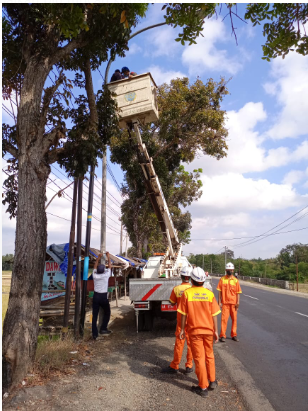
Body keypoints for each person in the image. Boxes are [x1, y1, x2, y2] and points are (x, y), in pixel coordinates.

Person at [178, 267, 221, 398]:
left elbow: (183, 314)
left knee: (199, 358)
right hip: (208, 331)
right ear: (203, 280)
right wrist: (216, 331)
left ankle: (203, 387)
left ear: (191, 280)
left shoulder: (187, 293)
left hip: (195, 331)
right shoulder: (209, 294)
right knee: (209, 355)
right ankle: (212, 381)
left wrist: (181, 329)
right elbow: (214, 314)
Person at [162, 265, 193, 374]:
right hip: (193, 321)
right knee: (191, 344)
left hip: (181, 321)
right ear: (190, 277)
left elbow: (172, 302)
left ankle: (175, 365)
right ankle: (189, 365)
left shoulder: (177, 289)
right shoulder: (193, 290)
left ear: (181, 276)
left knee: (179, 343)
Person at [217, 262, 242, 342]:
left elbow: (238, 292)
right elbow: (220, 291)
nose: (230, 271)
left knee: (234, 320)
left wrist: (238, 302)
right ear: (226, 270)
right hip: (225, 303)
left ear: (233, 270)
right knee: (224, 320)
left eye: (231, 270)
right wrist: (219, 302)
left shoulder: (235, 280)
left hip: (234, 304)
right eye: (228, 270)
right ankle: (222, 335)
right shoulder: (222, 279)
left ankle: (234, 335)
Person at [92, 252, 112, 340]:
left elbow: (94, 267)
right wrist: (108, 257)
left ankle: (94, 334)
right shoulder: (106, 275)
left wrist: (98, 258)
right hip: (103, 297)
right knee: (107, 312)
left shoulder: (95, 276)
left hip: (96, 296)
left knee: (94, 315)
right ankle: (103, 328)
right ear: (104, 270)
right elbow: (110, 266)